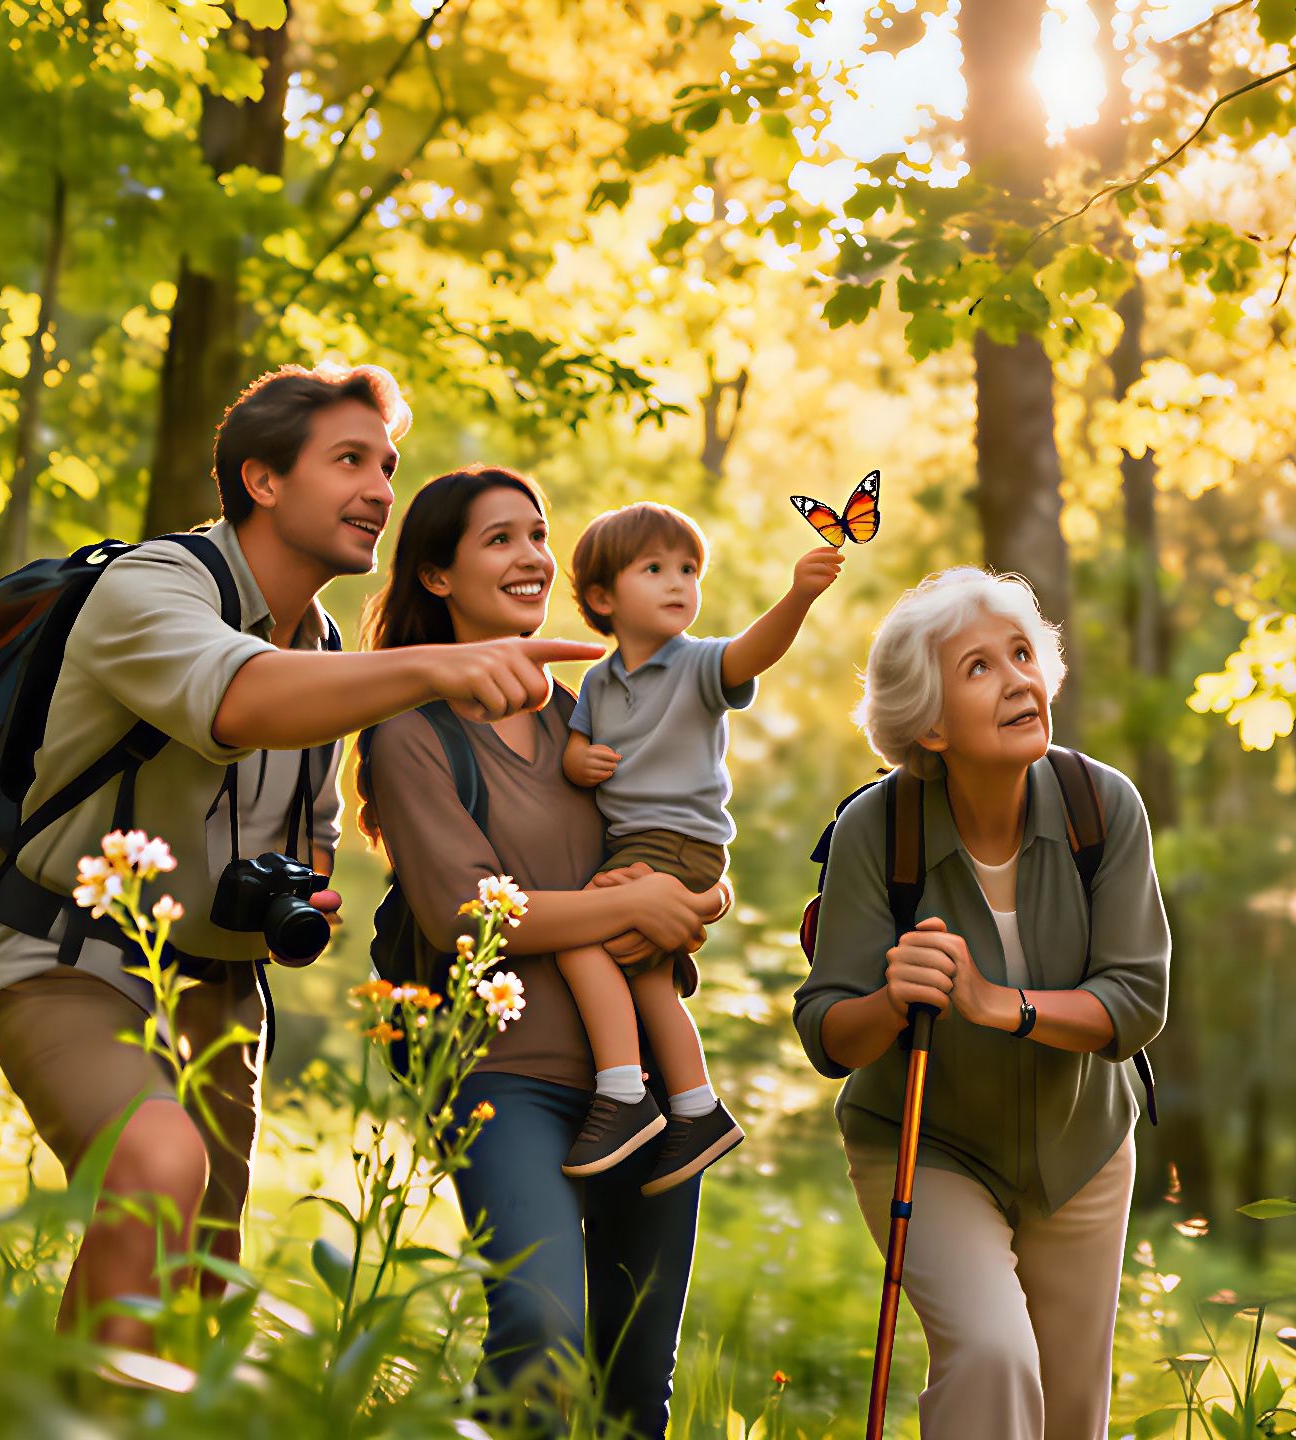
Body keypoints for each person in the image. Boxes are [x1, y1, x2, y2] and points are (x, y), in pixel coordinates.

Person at [0, 364, 605, 1368]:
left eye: (388, 466)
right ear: (261, 480)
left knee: (193, 1286)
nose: (382, 491)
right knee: (156, 1166)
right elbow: (239, 703)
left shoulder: (321, 639)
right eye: (349, 461)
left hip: (219, 991)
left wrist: (299, 887)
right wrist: (437, 665)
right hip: (70, 959)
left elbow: (310, 830)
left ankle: (73, 1411)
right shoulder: (155, 584)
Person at [355, 469, 730, 1437]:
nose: (531, 557)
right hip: (503, 1075)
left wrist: (703, 896)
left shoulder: (592, 711)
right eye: (499, 540)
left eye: (538, 535)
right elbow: (469, 916)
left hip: (643, 1090)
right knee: (542, 1329)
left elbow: (673, 843)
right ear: (436, 576)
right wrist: (637, 904)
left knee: (633, 1383)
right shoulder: (410, 729)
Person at [792, 567, 1171, 1438]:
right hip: (925, 1146)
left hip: (1080, 1147)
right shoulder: (874, 831)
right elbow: (827, 1030)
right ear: (929, 721)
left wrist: (1003, 1006)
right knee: (996, 1359)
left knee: (1070, 1418)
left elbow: (1137, 1002)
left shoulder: (1101, 807)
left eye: (1023, 655)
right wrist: (892, 999)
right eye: (979, 669)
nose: (1018, 681)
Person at [552, 503, 843, 1188]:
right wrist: (578, 762)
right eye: (654, 569)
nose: (679, 583)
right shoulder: (597, 680)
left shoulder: (699, 664)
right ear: (602, 598)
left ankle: (623, 1092)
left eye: (689, 569)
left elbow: (756, 649)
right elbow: (574, 746)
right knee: (650, 979)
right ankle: (696, 1106)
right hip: (636, 844)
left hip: (680, 843)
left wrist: (798, 594)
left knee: (577, 936)